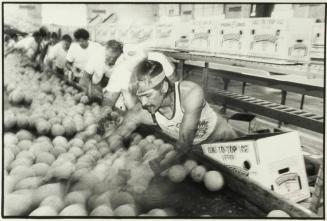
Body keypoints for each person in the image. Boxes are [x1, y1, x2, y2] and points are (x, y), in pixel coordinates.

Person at [106, 55, 238, 171]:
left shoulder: (189, 93)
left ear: (163, 87)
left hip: (223, 141)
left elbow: (184, 145)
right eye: (139, 96)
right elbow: (117, 135)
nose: (144, 102)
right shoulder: (142, 111)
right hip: (197, 150)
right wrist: (120, 157)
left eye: (147, 95)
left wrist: (154, 169)